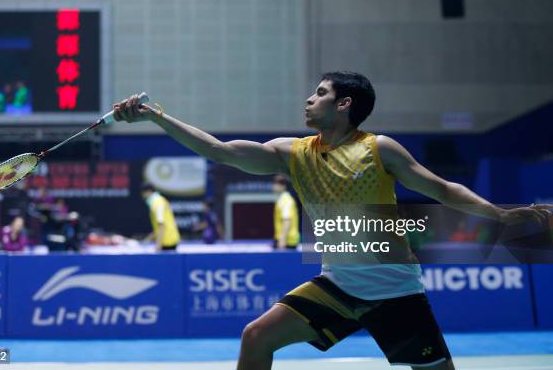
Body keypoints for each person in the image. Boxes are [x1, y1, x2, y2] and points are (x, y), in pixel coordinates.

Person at [113, 71, 551, 370]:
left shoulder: (380, 148)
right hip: (335, 286)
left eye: (320, 92)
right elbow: (220, 151)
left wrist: (499, 214)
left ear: (344, 104)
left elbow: (440, 188)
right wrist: (157, 118)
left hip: (394, 289)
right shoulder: (293, 152)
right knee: (256, 336)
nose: (309, 98)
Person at [141, 183, 181, 251]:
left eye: (143, 193)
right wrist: (149, 238)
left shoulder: (157, 203)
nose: (143, 196)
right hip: (168, 240)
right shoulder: (158, 201)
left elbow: (161, 225)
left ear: (148, 191)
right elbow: (159, 226)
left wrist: (158, 245)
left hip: (167, 242)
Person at [272, 174, 300, 249]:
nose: (273, 186)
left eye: (276, 184)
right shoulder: (282, 199)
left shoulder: (286, 200)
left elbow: (287, 220)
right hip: (284, 239)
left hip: (288, 241)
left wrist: (282, 239)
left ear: (283, 186)